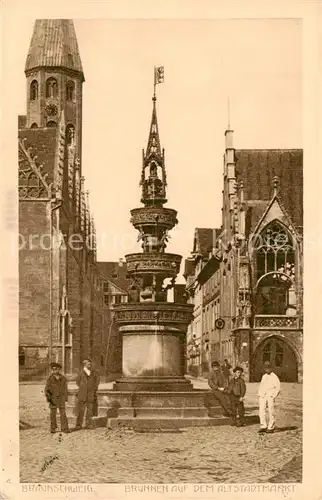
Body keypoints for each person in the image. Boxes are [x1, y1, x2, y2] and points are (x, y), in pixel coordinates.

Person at [74, 359, 100, 430]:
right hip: (82, 394)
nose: (90, 365)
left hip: (90, 394)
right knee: (81, 411)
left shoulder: (93, 372)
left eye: (90, 364)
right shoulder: (80, 373)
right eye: (88, 364)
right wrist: (84, 387)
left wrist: (93, 389)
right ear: (84, 364)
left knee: (90, 411)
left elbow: (96, 381)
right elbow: (77, 382)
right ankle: (79, 425)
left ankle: (88, 424)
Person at [44, 362, 69, 434]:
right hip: (53, 399)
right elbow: (46, 390)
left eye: (57, 369)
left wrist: (65, 398)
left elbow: (65, 389)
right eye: (54, 369)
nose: (55, 371)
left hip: (61, 399)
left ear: (59, 369)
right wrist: (49, 399)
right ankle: (53, 428)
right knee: (53, 414)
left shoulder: (63, 378)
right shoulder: (50, 379)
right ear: (52, 370)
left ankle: (65, 428)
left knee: (63, 413)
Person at [258, 360, 281, 433]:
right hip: (263, 395)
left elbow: (278, 387)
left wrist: (273, 395)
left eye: (268, 367)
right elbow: (261, 385)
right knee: (261, 410)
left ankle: (271, 427)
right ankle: (263, 426)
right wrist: (260, 394)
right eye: (265, 368)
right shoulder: (264, 376)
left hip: (270, 394)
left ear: (271, 368)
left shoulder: (274, 376)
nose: (267, 369)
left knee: (271, 411)